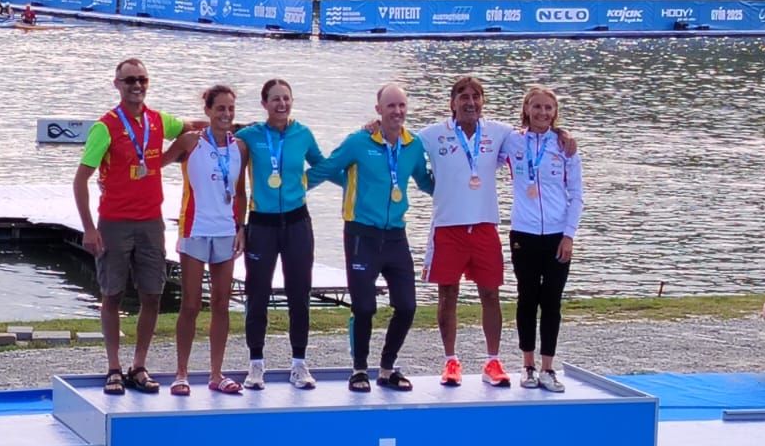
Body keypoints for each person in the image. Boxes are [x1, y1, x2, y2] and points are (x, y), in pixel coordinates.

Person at [416, 77, 575, 388]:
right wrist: (428, 184)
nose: (470, 102)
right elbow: (402, 145)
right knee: (447, 294)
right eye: (464, 96)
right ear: (452, 102)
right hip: (447, 226)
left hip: (485, 225)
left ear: (483, 102)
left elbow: (535, 132)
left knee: (490, 294)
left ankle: (492, 361)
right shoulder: (432, 134)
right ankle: (451, 361)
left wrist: (562, 133)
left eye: (476, 96)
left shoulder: (500, 133)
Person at [72, 58, 200, 396]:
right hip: (113, 222)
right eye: (129, 80)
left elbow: (192, 127)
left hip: (151, 222)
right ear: (116, 84)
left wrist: (233, 124)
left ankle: (139, 366)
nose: (137, 85)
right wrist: (89, 228)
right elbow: (81, 179)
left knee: (152, 294)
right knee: (112, 295)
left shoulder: (158, 120)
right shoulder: (105, 127)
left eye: (142, 79)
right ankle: (114, 367)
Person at [307, 83, 434, 392]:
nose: (397, 111)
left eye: (402, 105)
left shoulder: (413, 145)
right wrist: (288, 191)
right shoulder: (358, 142)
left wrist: (461, 190)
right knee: (364, 308)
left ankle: (387, 368)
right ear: (378, 109)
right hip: (361, 235)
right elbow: (327, 168)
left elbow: (425, 181)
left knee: (407, 306)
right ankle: (359, 369)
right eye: (391, 106)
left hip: (396, 236)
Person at [234, 78, 325, 390]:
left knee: (299, 294)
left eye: (286, 98)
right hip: (261, 224)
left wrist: (303, 184)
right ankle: (256, 364)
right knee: (257, 294)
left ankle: (299, 364)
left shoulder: (303, 134)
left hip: (298, 223)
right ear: (264, 104)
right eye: (275, 99)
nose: (281, 104)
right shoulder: (250, 135)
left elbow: (323, 166)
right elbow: (219, 136)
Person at [164, 84, 249, 396]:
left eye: (230, 109)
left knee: (221, 304)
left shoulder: (240, 148)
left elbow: (240, 192)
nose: (226, 114)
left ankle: (216, 373)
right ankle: (181, 373)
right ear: (208, 111)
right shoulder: (191, 141)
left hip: (226, 232)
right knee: (190, 304)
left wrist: (242, 227)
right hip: (195, 229)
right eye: (220, 108)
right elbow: (155, 163)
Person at [506, 86, 585, 393]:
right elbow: (481, 150)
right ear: (526, 109)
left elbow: (577, 195)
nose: (542, 113)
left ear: (555, 113)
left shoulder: (565, 146)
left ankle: (548, 368)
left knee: (551, 301)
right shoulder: (511, 141)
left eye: (548, 108)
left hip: (556, 236)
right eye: (536, 107)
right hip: (523, 233)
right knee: (527, 298)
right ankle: (527, 365)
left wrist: (569, 235)